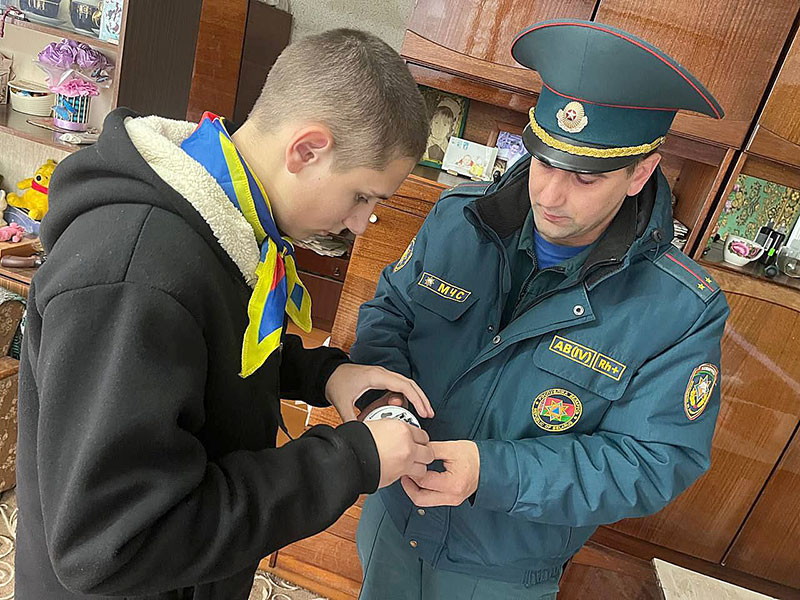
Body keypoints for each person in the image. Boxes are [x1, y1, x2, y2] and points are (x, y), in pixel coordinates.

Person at [15, 29, 436, 600]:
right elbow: (111, 545)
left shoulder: (222, 218)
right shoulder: (136, 276)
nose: (360, 224)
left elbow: (209, 348)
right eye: (362, 196)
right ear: (306, 150)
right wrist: (349, 460)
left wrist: (323, 374)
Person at [351, 19, 730, 599]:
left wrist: (492, 473)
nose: (550, 196)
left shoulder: (680, 309)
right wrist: (386, 405)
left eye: (585, 178)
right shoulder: (459, 218)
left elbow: (653, 461)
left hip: (500, 566)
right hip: (392, 516)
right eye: (545, 163)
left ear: (640, 172)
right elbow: (389, 314)